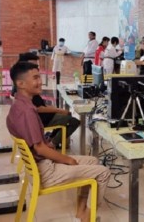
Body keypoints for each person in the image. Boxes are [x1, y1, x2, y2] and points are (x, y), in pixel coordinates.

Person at [7, 61, 110, 222]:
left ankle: (81, 213)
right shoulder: (27, 111)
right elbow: (40, 149)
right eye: (35, 78)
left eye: (39, 77)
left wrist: (48, 145)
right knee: (103, 172)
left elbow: (39, 145)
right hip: (44, 171)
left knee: (93, 160)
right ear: (20, 83)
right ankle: (89, 216)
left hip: (39, 165)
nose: (40, 81)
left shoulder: (18, 105)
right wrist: (68, 160)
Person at [14, 52, 80, 148]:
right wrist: (58, 110)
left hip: (36, 116)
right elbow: (39, 108)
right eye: (33, 66)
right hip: (39, 119)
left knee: (66, 114)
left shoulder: (21, 82)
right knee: (74, 121)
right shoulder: (26, 86)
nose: (37, 68)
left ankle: (51, 138)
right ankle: (51, 144)